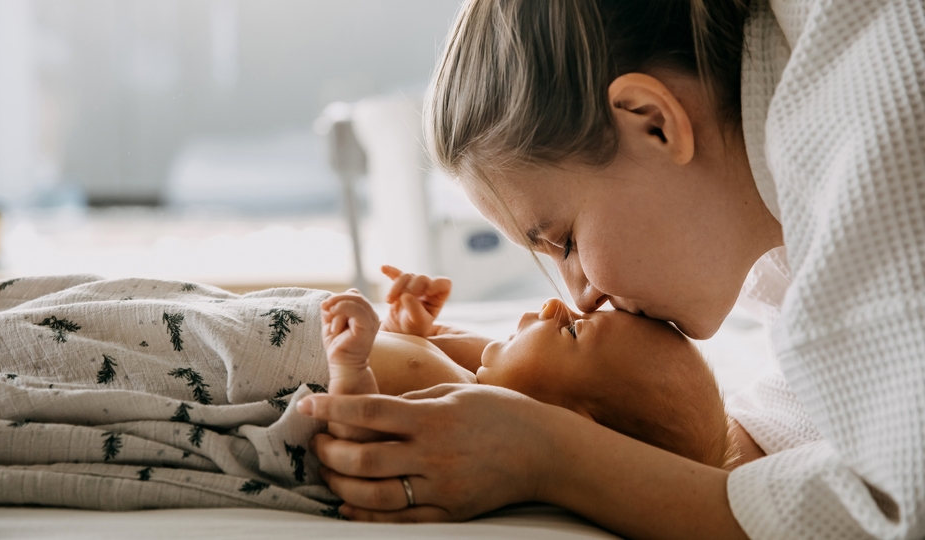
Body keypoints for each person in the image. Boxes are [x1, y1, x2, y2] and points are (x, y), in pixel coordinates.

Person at [296, 0, 925, 538]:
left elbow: (893, 511)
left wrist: (548, 455)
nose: (579, 298)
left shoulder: (880, 116)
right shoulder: (779, 166)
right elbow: (776, 441)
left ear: (654, 123)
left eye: (565, 241)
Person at [325, 266, 741, 470]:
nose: (554, 304)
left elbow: (361, 447)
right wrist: (410, 329)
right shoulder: (488, 373)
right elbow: (428, 348)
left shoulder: (462, 424)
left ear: (571, 425)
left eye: (573, 331)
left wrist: (349, 370)